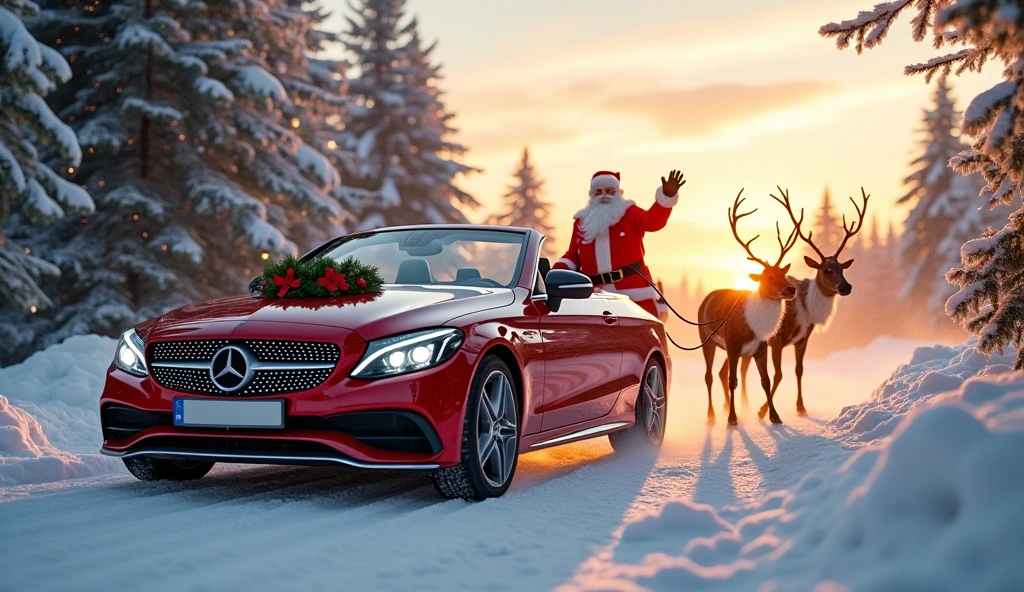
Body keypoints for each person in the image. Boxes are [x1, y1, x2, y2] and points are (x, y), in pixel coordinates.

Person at [552, 169, 685, 319]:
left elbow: (652, 221)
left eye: (609, 191)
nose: (604, 195)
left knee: (643, 333)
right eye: (599, 191)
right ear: (591, 195)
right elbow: (573, 255)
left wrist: (666, 198)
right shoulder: (582, 222)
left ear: (618, 192)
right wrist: (554, 273)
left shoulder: (630, 213)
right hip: (595, 298)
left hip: (634, 295)